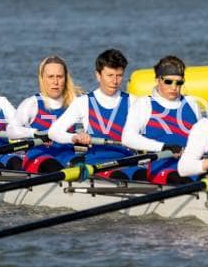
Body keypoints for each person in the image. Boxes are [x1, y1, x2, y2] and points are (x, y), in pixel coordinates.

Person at [48, 49, 140, 179]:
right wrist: (75, 137)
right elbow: (53, 132)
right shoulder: (83, 102)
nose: (115, 81)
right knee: (119, 177)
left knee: (141, 175)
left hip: (127, 162)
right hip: (96, 165)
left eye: (119, 75)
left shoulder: (134, 101)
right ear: (98, 75)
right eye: (110, 75)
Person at [122, 55, 200, 184]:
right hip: (160, 169)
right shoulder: (144, 104)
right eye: (168, 81)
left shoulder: (191, 103)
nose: (174, 87)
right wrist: (163, 147)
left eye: (179, 82)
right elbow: (127, 138)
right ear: (157, 80)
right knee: (183, 180)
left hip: (190, 168)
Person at [9, 55, 83, 173]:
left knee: (82, 167)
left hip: (66, 155)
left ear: (65, 79)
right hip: (39, 156)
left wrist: (85, 135)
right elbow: (11, 130)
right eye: (50, 77)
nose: (55, 82)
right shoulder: (32, 103)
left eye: (59, 77)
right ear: (42, 78)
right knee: (54, 167)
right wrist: (34, 133)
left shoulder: (76, 103)